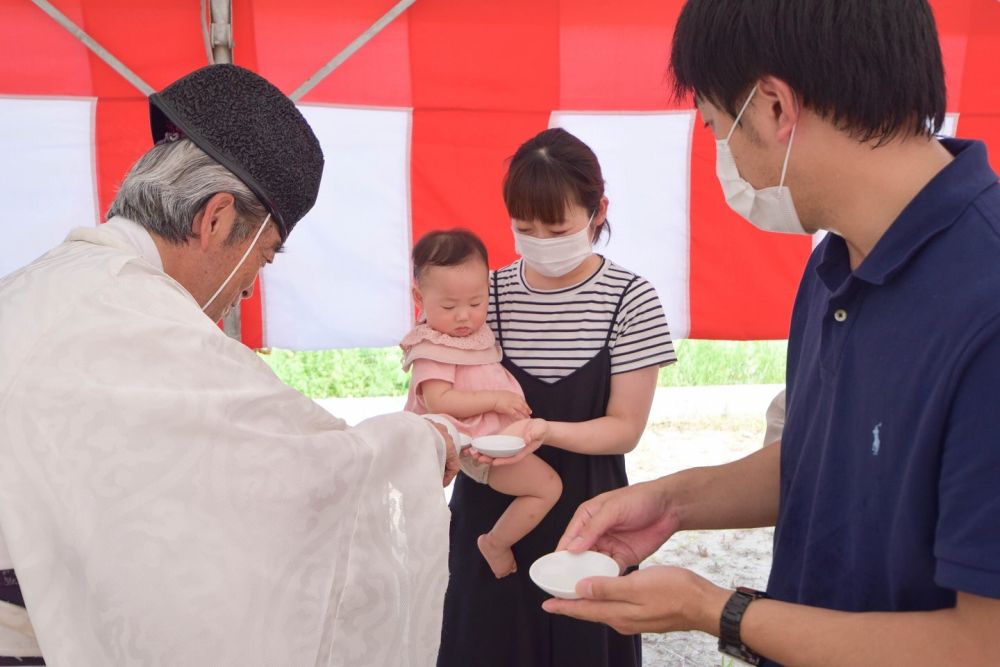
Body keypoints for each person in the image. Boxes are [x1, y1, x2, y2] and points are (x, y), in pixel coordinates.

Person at [542, 1, 1000, 665]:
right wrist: (672, 502)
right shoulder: (836, 262)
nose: (724, 159)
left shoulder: (984, 307)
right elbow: (829, 459)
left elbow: (978, 644)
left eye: (717, 128)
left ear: (775, 108)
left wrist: (715, 609)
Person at [0, 63, 489, 665]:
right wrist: (426, 441)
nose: (250, 291)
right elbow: (301, 474)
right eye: (263, 258)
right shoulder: (146, 323)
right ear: (216, 219)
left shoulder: (40, 282)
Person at [437, 128, 678, 667]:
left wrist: (544, 431)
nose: (542, 240)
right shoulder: (483, 296)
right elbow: (439, 385)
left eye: (558, 227)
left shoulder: (630, 299)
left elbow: (625, 428)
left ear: (598, 211)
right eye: (526, 228)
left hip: (589, 515)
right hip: (490, 516)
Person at [401, 229, 561, 578]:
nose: (464, 316)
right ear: (419, 296)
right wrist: (496, 400)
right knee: (548, 487)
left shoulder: (472, 333)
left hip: (491, 437)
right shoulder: (432, 344)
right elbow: (438, 399)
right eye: (449, 306)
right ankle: (495, 542)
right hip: (471, 443)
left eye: (476, 303)